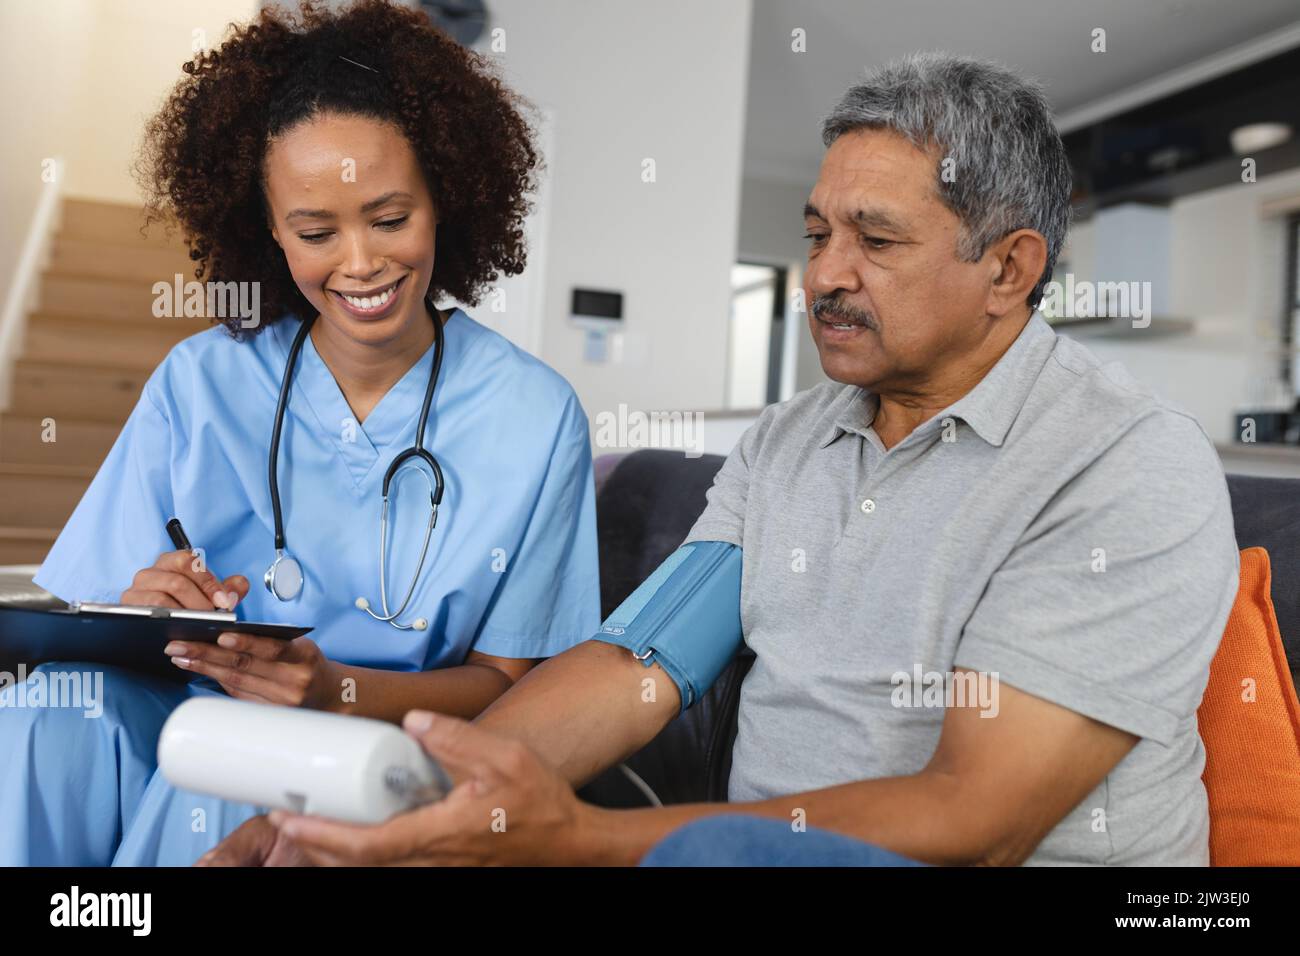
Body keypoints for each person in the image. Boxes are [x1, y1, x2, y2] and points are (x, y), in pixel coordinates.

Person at [208, 53, 1239, 867]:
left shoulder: (1123, 465)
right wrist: (386, 790)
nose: (824, 275)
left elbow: (975, 820)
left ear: (1008, 267)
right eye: (815, 232)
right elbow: (640, 665)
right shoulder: (792, 440)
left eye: (874, 242)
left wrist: (580, 842)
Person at [0, 0, 599, 866]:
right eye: (316, 232)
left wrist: (333, 691)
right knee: (41, 714)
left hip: (376, 741)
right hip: (189, 702)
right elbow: (100, 611)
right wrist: (145, 602)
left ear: (449, 198)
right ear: (268, 231)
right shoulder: (201, 381)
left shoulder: (536, 418)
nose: (359, 263)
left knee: (224, 762)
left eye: (391, 220)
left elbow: (510, 686)